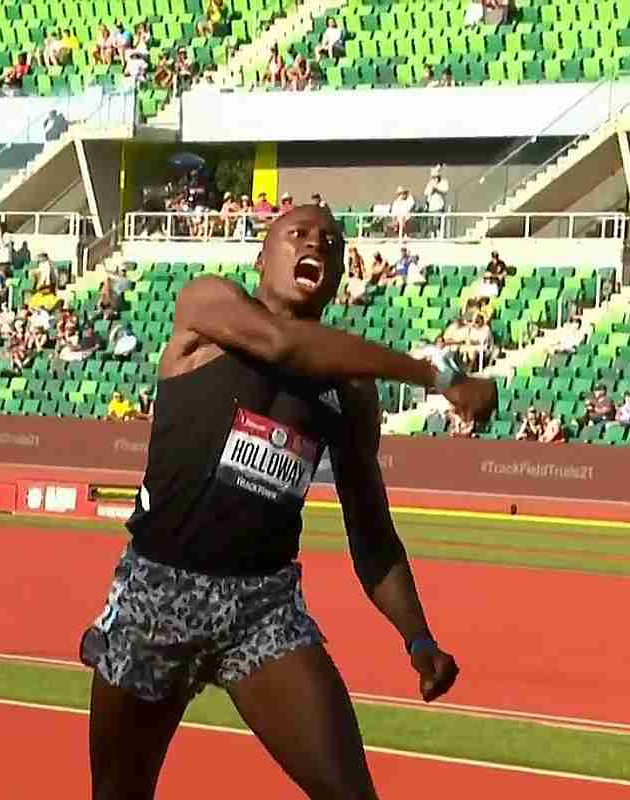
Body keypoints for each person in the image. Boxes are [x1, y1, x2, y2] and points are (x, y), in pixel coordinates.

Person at [79, 204, 496, 800]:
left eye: (330, 241)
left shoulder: (351, 394)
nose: (316, 244)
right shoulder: (206, 305)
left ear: (336, 276)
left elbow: (371, 531)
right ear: (261, 257)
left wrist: (418, 637)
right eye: (297, 233)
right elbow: (281, 346)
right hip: (158, 591)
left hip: (262, 606)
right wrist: (436, 377)